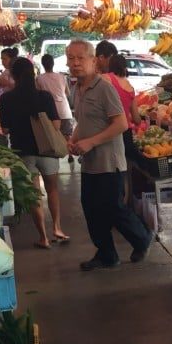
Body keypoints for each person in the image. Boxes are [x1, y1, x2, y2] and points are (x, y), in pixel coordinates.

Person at [65, 39, 152, 271]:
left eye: (80, 58)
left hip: (109, 162)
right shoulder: (77, 89)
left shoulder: (104, 88)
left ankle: (142, 238)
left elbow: (122, 123)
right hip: (90, 163)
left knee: (112, 208)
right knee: (91, 210)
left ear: (93, 61)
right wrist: (73, 140)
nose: (75, 63)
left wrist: (90, 142)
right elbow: (82, 122)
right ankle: (106, 254)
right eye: (71, 58)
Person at [0, 57, 70, 249]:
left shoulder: (6, 98)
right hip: (47, 150)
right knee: (53, 190)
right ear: (33, 73)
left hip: (23, 152)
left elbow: (4, 130)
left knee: (34, 194)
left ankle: (43, 237)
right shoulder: (44, 97)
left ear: (13, 75)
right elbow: (56, 124)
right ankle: (57, 228)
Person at [101, 54, 141, 161]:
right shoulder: (130, 88)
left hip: (109, 129)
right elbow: (137, 119)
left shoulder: (105, 78)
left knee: (109, 164)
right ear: (125, 66)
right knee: (125, 163)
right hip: (126, 132)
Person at [36, 54, 74, 140]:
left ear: (43, 64)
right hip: (64, 111)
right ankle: (68, 154)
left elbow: (38, 95)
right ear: (53, 63)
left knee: (53, 140)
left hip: (49, 113)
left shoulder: (39, 78)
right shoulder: (62, 77)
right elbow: (67, 93)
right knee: (67, 138)